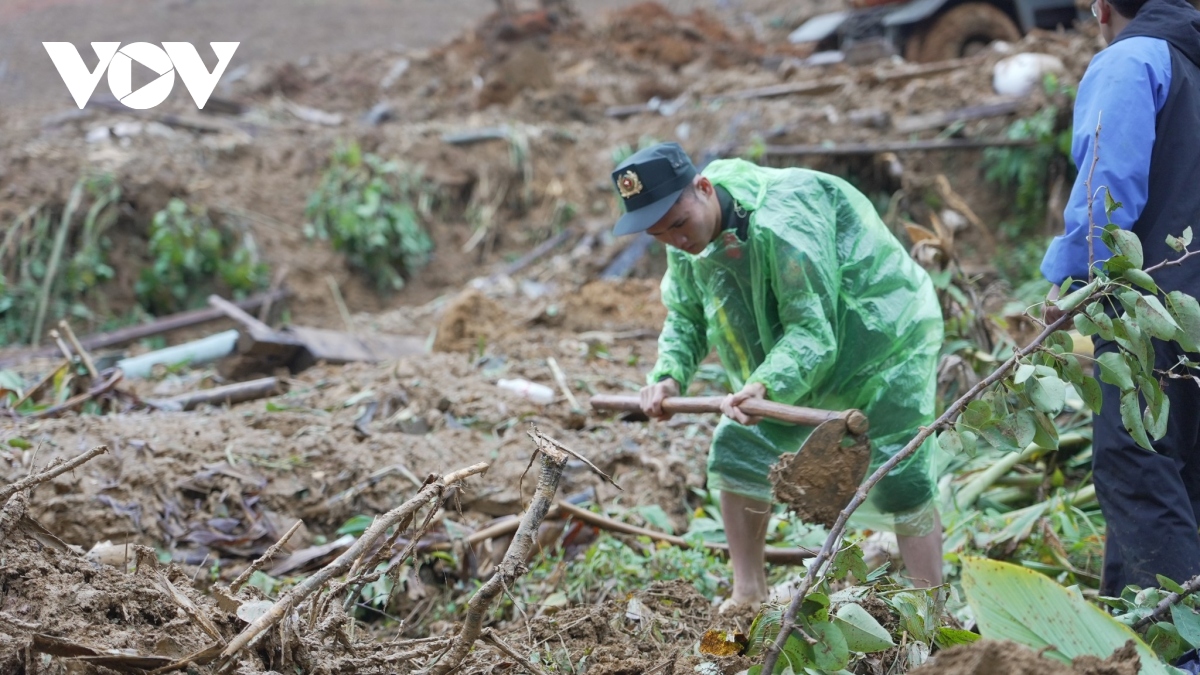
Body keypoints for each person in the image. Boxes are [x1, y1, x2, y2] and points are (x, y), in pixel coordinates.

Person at [610, 142, 945, 610]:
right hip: (795, 356)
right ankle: (748, 591)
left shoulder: (783, 223)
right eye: (658, 234)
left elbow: (812, 329)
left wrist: (764, 385)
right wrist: (669, 377)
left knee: (901, 469)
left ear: (704, 188)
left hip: (883, 338)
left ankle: (931, 608)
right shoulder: (685, 238)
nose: (675, 241)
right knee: (737, 449)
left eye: (678, 225)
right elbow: (686, 316)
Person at [1041, 0, 1200, 596]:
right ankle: (1130, 639)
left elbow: (1107, 191)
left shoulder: (1132, 61)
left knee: (1140, 472)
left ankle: (1178, 655)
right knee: (1186, 483)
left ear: (1101, 7)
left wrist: (1071, 284)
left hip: (1152, 315)